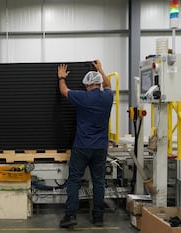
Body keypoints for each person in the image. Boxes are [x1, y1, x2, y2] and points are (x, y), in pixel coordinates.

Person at [57, 60, 113, 228]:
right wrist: (101, 69)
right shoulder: (108, 97)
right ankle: (98, 218)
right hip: (100, 148)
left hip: (82, 147)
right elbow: (109, 84)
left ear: (88, 85)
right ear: (99, 83)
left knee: (74, 180)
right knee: (98, 182)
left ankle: (71, 216)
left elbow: (64, 91)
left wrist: (61, 77)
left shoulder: (82, 97)